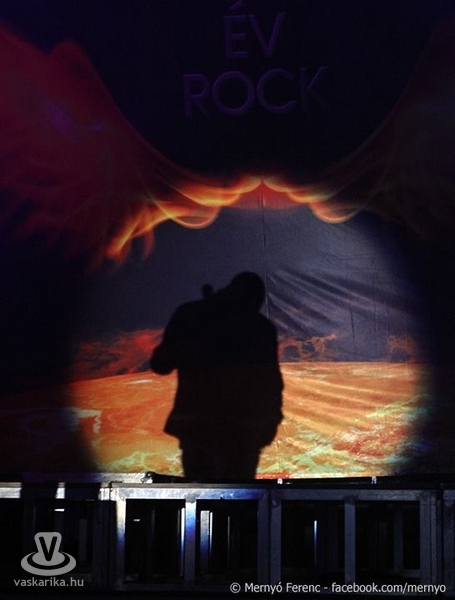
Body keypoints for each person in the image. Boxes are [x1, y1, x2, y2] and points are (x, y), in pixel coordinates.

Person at [150, 272, 283, 482]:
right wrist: (268, 425)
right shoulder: (259, 328)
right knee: (238, 495)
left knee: (201, 492)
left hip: (200, 428)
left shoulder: (190, 315)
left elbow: (161, 364)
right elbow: (271, 384)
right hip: (239, 432)